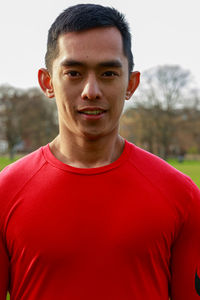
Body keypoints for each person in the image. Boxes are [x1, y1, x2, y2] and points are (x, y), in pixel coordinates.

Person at [0, 3, 200, 300]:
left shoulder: (182, 196)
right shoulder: (5, 192)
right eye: (73, 73)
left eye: (108, 73)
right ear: (47, 82)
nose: (91, 90)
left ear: (131, 84)